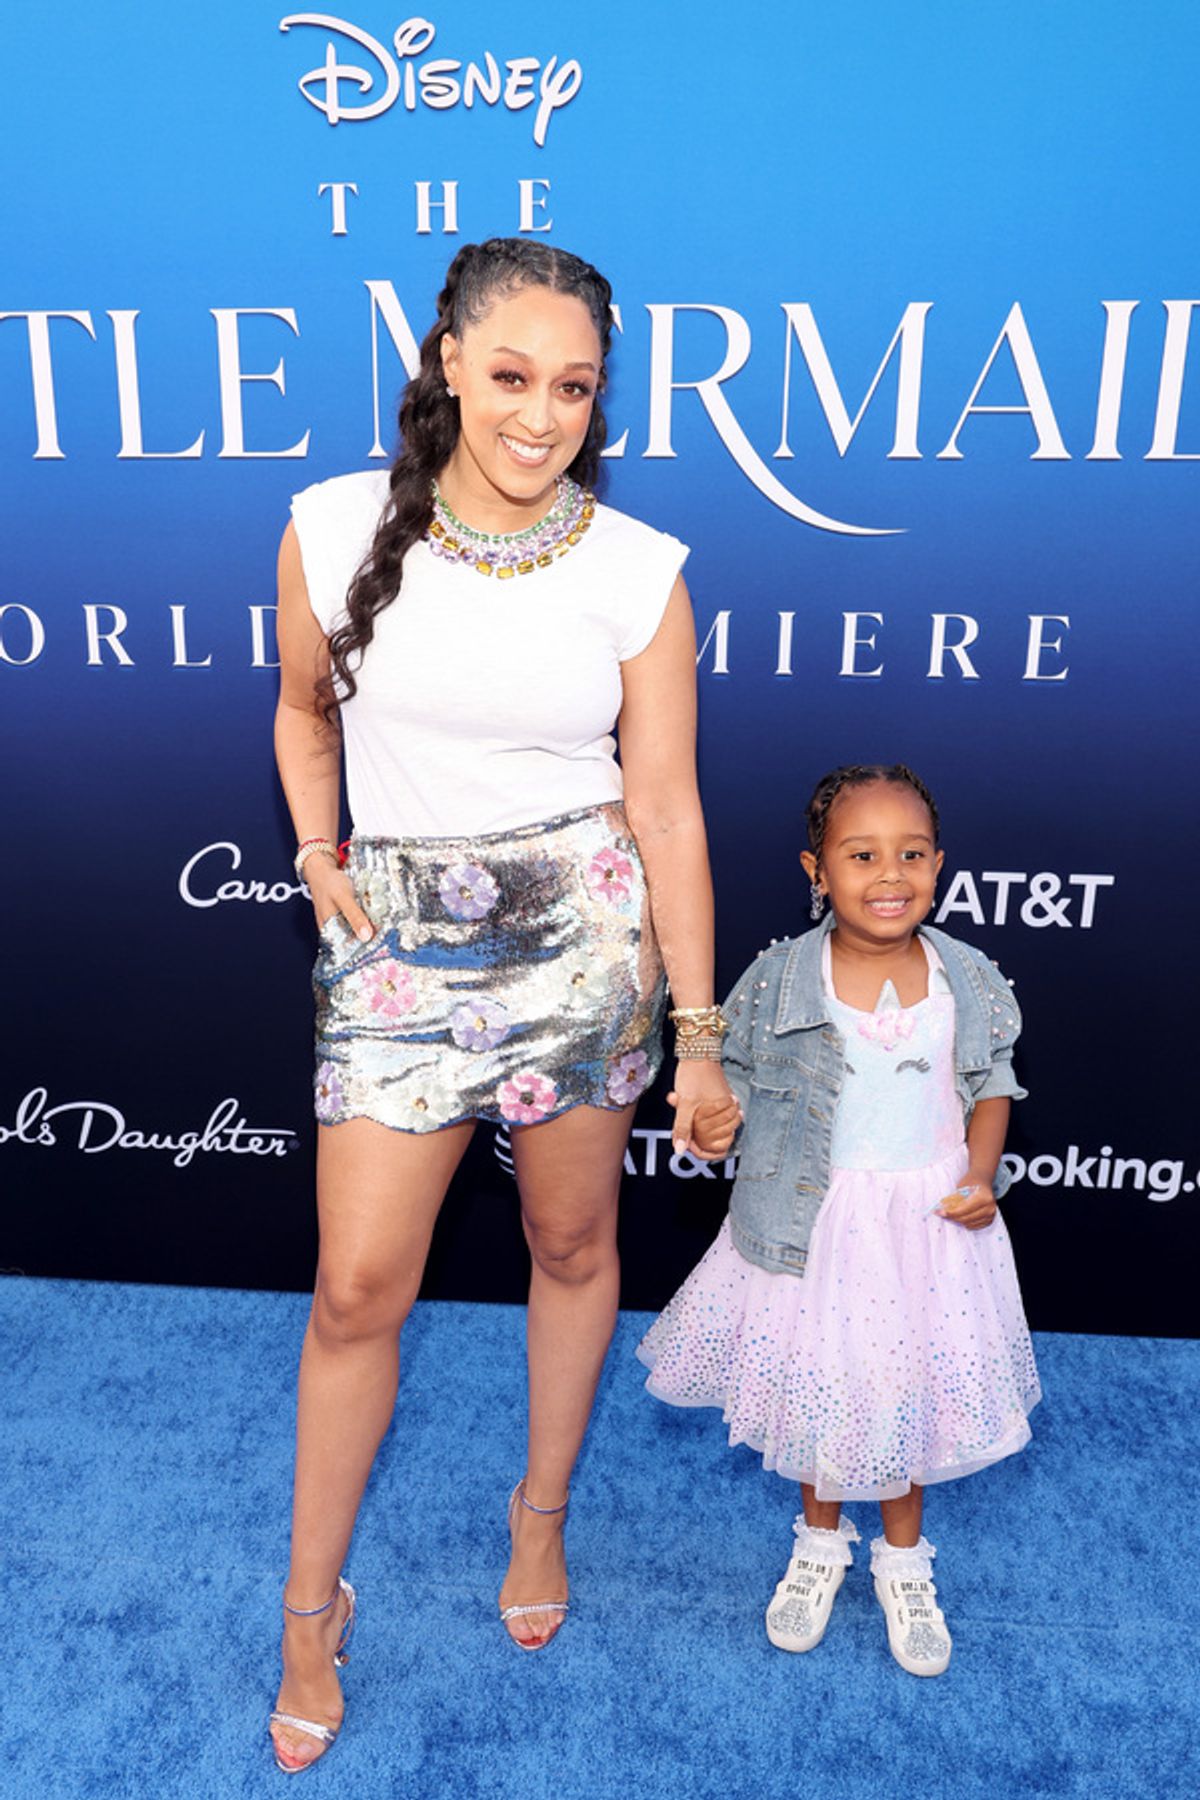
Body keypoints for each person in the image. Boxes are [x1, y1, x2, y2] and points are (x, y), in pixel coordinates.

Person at [268, 238, 737, 1772]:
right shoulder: (327, 529)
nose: (544, 415)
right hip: (397, 953)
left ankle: (541, 1517)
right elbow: (296, 708)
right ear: (449, 361)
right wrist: (316, 846)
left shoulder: (639, 571)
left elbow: (667, 813)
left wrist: (703, 1033)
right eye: (516, 375)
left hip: (586, 944)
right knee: (356, 1290)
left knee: (572, 1243)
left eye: (578, 387)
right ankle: (307, 1610)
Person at [638, 764, 1040, 1677]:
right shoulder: (779, 980)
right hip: (818, 1230)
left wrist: (981, 1176)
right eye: (861, 855)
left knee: (907, 1399)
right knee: (828, 1394)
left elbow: (991, 1088)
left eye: (911, 854)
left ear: (939, 866)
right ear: (817, 870)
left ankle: (904, 1561)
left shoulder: (966, 978)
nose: (888, 874)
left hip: (929, 1232)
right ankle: (819, 1545)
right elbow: (724, 1090)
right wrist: (711, 1118)